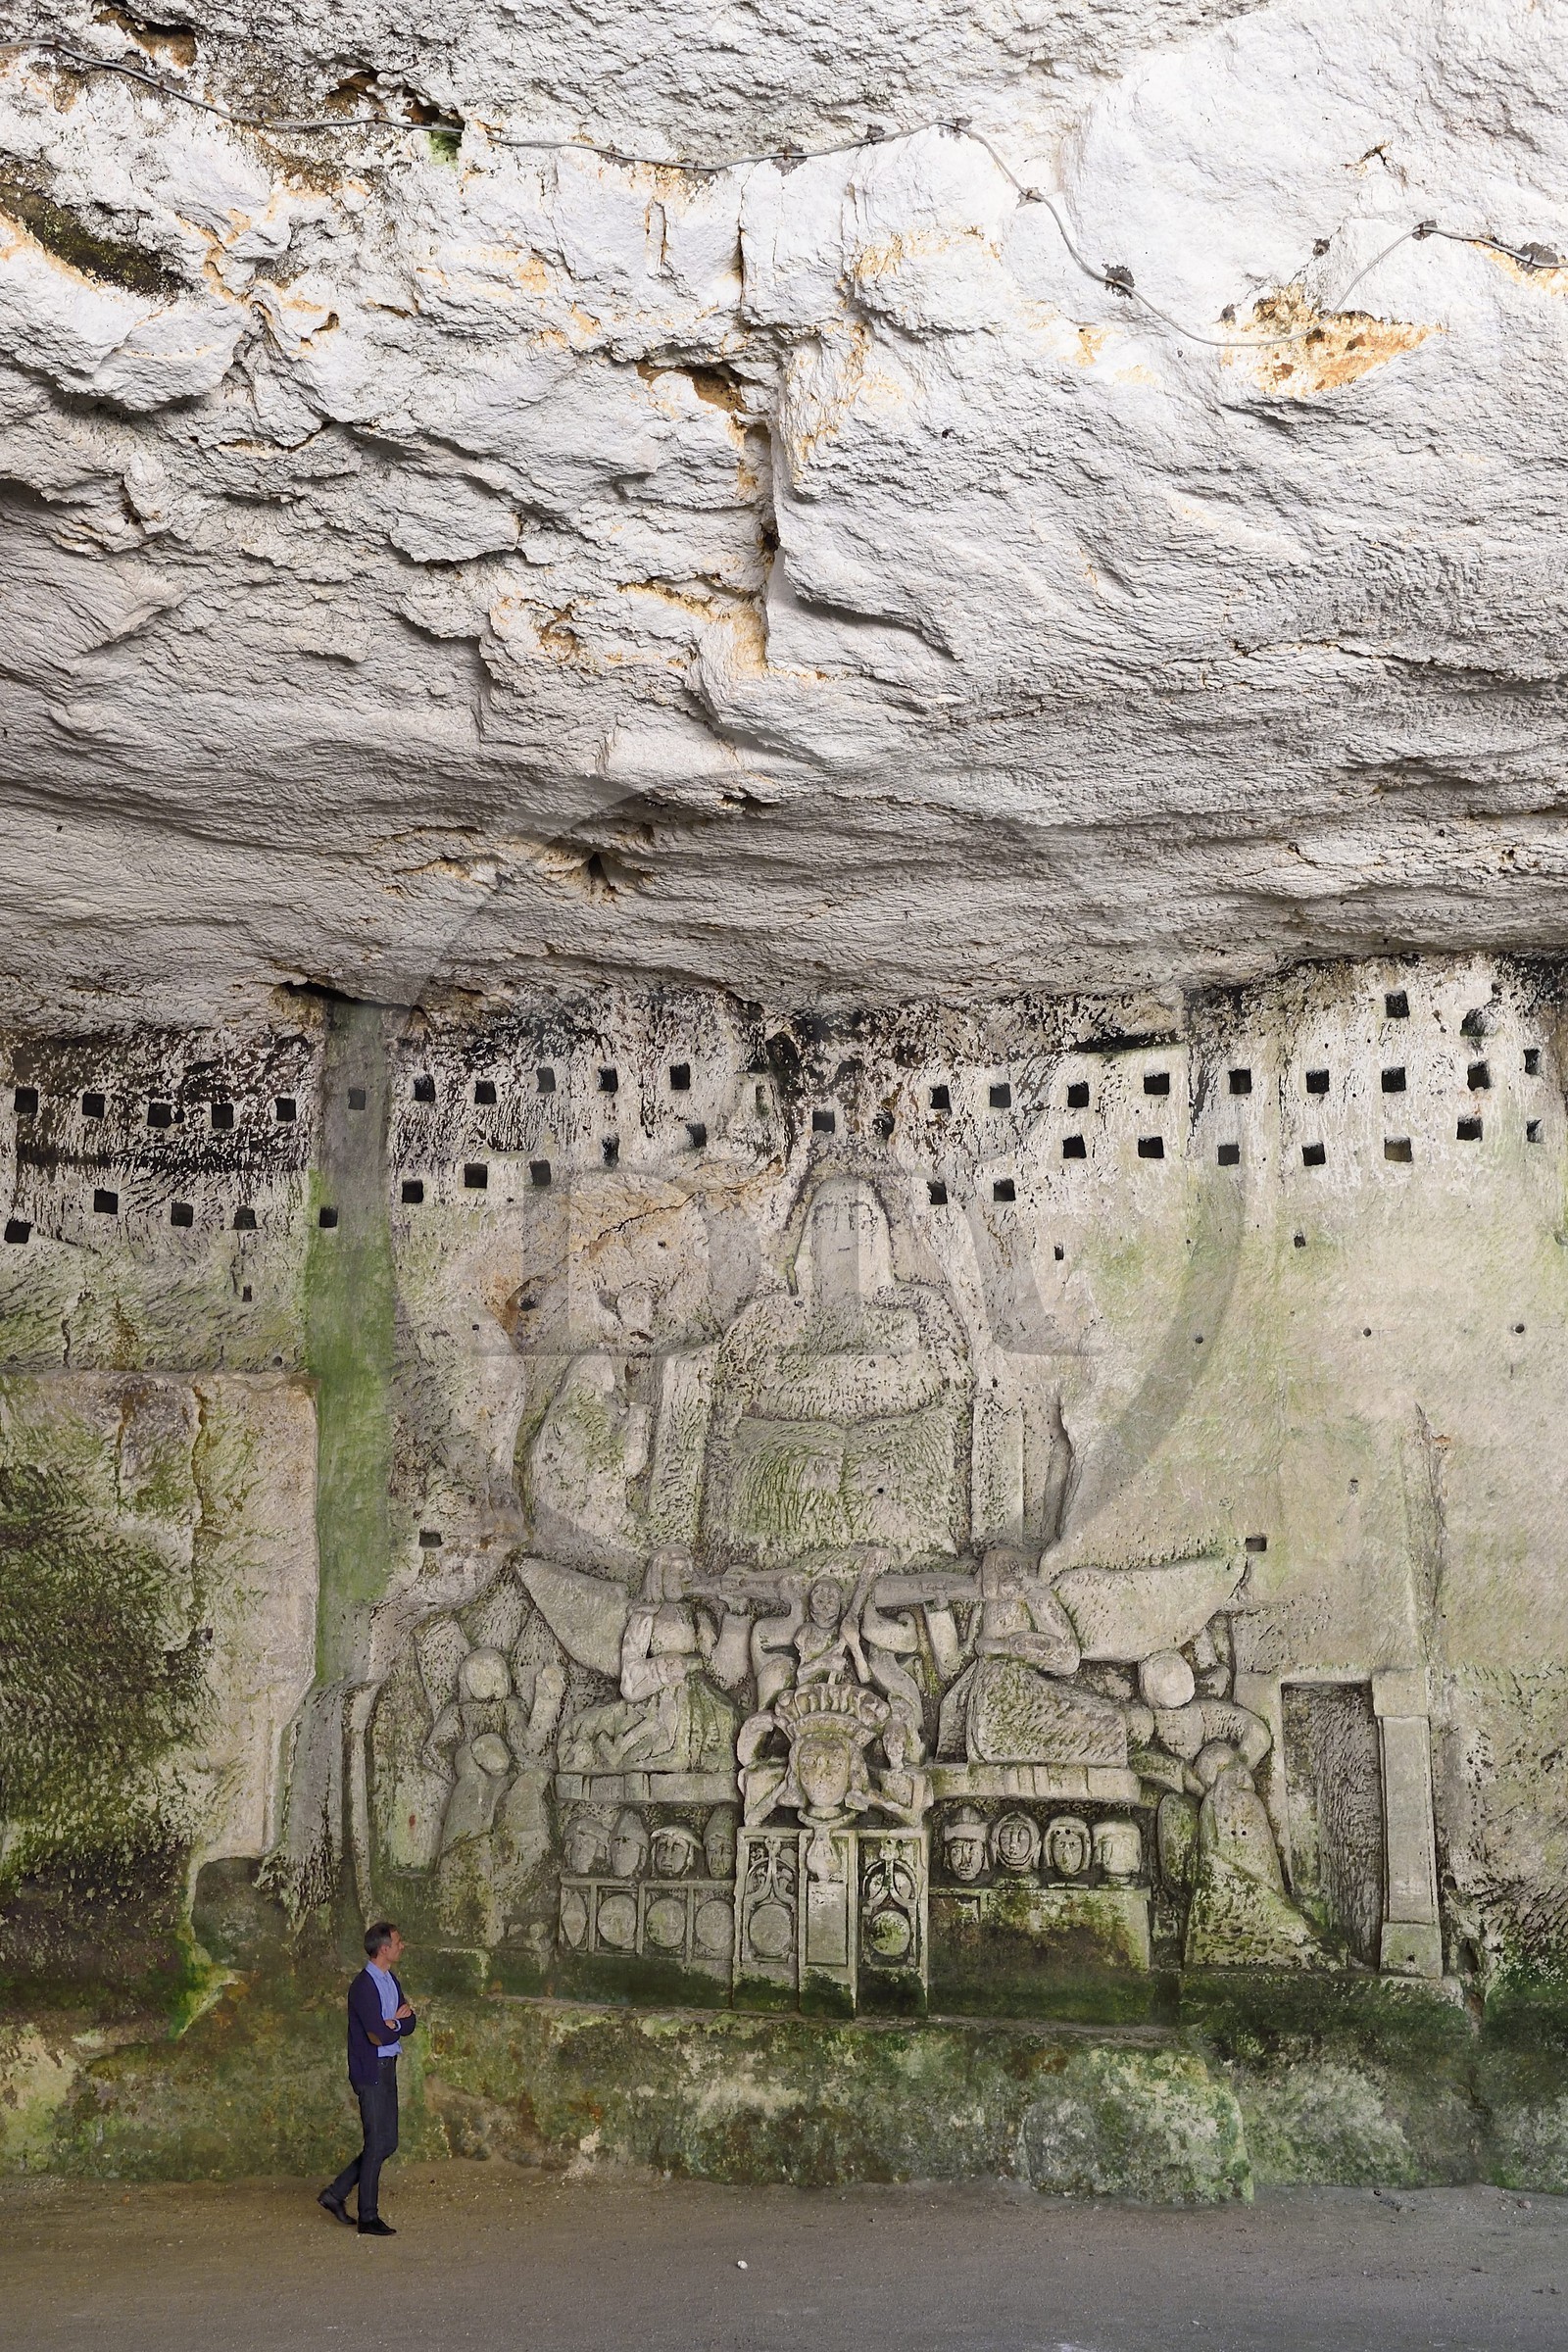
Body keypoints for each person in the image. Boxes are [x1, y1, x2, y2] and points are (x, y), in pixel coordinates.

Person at [318, 1922, 417, 2236]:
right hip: (370, 2068)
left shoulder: (390, 1980)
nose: (403, 1946)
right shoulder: (363, 1986)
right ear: (383, 1949)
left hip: (387, 2066)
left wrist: (395, 2024)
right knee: (377, 2142)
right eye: (398, 1942)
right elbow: (377, 2034)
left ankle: (335, 2194)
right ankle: (368, 2216)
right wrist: (393, 2024)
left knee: (388, 2141)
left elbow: (410, 2021)